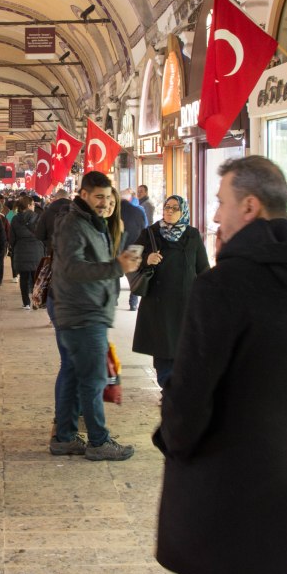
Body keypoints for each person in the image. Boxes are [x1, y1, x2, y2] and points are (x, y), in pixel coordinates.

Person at [154, 156, 287, 574]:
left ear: (250, 207)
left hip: (224, 482)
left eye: (222, 203)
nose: (215, 215)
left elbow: (192, 391)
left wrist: (174, 440)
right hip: (285, 477)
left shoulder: (223, 286)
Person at [48, 171, 142, 461]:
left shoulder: (91, 223)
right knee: (94, 379)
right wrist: (117, 267)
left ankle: (64, 438)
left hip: (87, 310)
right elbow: (73, 269)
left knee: (76, 375)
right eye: (98, 197)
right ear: (84, 194)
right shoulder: (74, 225)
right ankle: (99, 442)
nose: (104, 203)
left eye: (108, 197)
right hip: (82, 312)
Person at [130, 195, 209, 389]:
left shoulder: (192, 235)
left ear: (183, 212)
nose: (170, 211)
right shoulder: (150, 233)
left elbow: (204, 269)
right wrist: (147, 258)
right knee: (164, 351)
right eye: (167, 207)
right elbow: (129, 259)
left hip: (186, 304)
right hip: (158, 304)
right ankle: (169, 391)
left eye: (175, 208)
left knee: (185, 349)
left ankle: (178, 389)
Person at [8, 196, 45, 309]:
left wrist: (15, 248)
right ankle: (35, 301)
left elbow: (12, 238)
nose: (34, 206)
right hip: (36, 251)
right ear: (28, 206)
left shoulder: (15, 219)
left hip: (21, 251)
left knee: (23, 279)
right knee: (36, 278)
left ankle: (26, 303)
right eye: (33, 204)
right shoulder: (38, 218)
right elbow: (42, 235)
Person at [117, 188, 147, 311]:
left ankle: (114, 298)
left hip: (119, 246)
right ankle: (133, 303)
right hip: (135, 246)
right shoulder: (138, 211)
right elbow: (144, 227)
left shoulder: (115, 211)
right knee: (134, 275)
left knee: (115, 273)